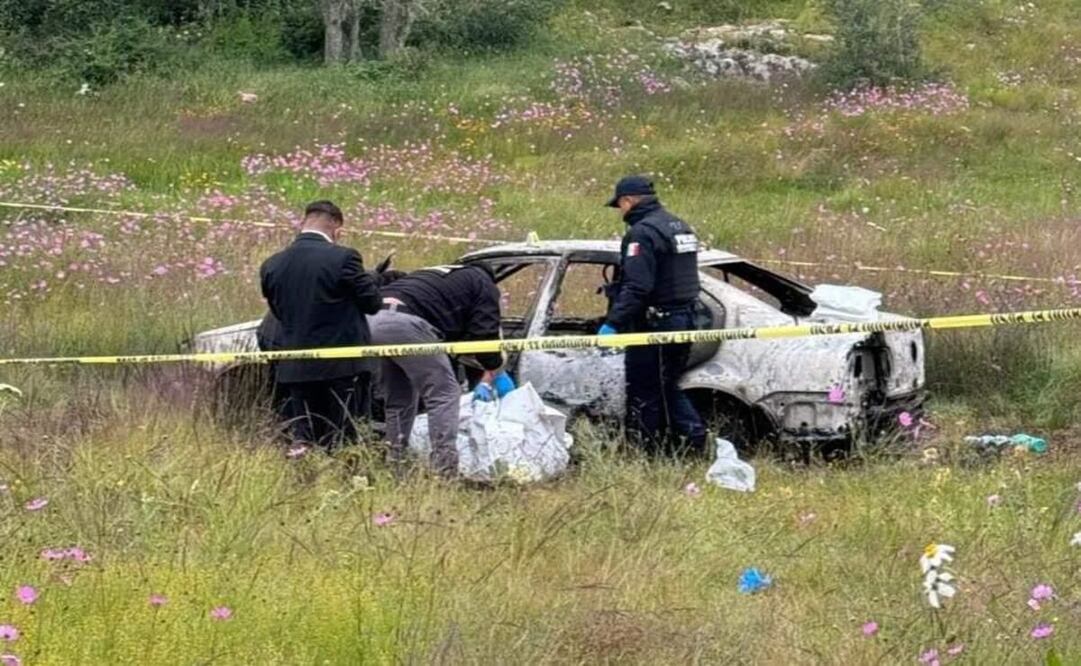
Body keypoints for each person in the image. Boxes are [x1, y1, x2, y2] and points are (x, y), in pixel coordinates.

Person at [259, 200, 382, 449]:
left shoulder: (271, 264)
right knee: (345, 435)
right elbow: (372, 303)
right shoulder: (345, 257)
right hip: (343, 367)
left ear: (303, 222)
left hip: (295, 366)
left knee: (303, 435)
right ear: (337, 227)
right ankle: (346, 480)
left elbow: (278, 312)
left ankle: (304, 481)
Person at [372, 263, 514, 478]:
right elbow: (484, 334)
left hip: (372, 319)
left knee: (399, 398)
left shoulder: (432, 274)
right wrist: (495, 367)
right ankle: (444, 469)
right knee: (445, 393)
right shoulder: (482, 282)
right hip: (408, 325)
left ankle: (395, 465)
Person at [599, 175, 707, 453]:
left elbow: (637, 286)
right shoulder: (679, 226)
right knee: (666, 385)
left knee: (645, 390)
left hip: (654, 325)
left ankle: (649, 451)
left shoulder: (641, 233)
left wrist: (612, 323)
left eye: (620, 206)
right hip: (684, 318)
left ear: (628, 201)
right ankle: (689, 445)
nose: (621, 213)